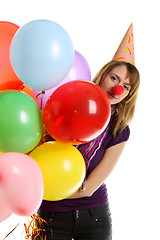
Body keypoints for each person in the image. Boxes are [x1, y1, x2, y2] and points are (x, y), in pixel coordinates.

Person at [35, 24, 140, 240]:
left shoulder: (118, 129)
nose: (118, 88)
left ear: (128, 96)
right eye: (114, 78)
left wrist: (46, 192)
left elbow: (89, 188)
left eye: (126, 87)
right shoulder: (64, 105)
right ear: (103, 76)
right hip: (51, 217)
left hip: (95, 218)